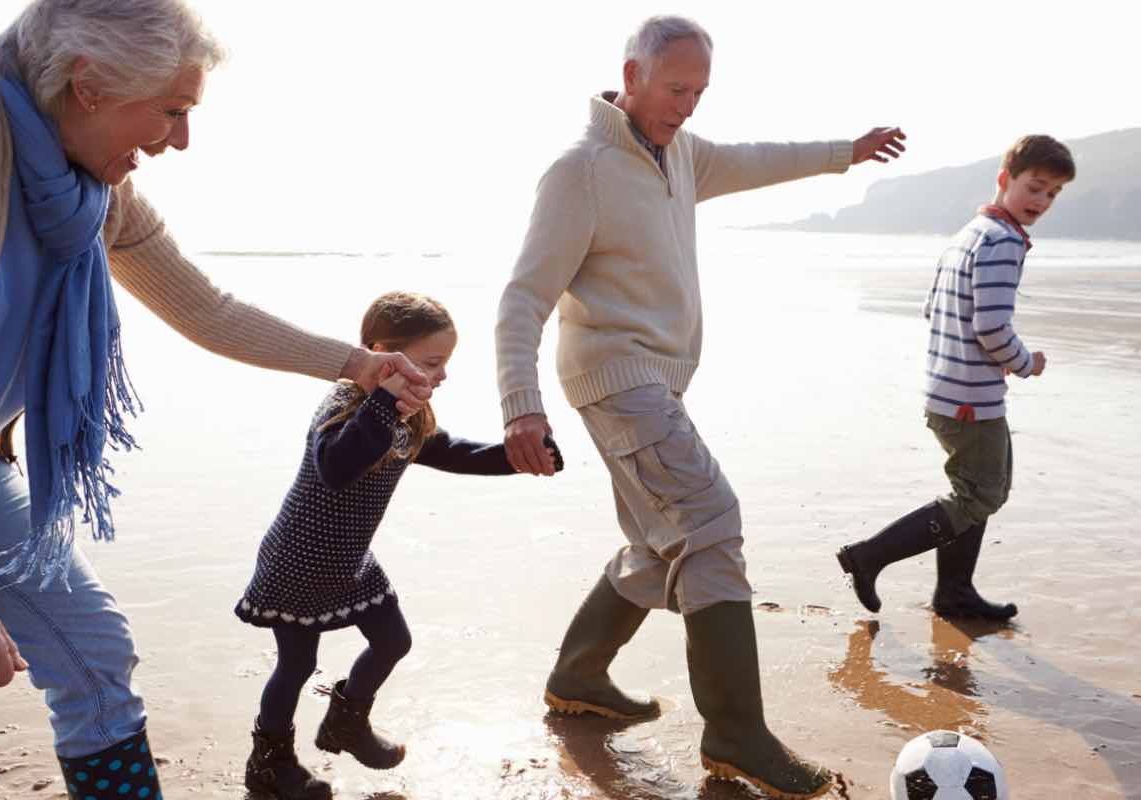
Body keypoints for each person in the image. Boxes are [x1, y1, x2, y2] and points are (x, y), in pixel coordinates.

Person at [0, 2, 430, 795]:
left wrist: (356, 364)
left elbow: (205, 308)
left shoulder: (90, 189)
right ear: (89, 84)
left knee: (94, 652)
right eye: (173, 111)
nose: (180, 140)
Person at [495, 14, 906, 799]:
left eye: (700, 92)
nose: (687, 105)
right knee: (710, 521)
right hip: (617, 378)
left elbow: (756, 160)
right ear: (632, 73)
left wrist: (843, 155)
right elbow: (522, 297)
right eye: (676, 88)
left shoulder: (681, 153)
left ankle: (578, 677)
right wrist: (521, 406)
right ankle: (736, 734)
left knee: (662, 542)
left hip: (653, 381)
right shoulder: (580, 170)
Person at [236, 292, 563, 800]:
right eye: (433, 363)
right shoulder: (345, 403)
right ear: (381, 353)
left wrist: (516, 457)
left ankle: (346, 722)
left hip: (350, 561)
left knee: (393, 641)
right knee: (296, 666)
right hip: (298, 561)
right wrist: (384, 401)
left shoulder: (409, 416)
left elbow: (448, 451)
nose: (442, 376)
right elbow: (338, 467)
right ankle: (269, 763)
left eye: (445, 364)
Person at [837, 135, 1075, 622]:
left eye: (1052, 193)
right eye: (1034, 187)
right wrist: (1025, 361)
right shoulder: (1003, 242)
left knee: (982, 486)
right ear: (1005, 180)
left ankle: (954, 591)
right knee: (981, 492)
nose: (1041, 201)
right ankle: (869, 557)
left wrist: (983, 354)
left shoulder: (970, 232)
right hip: (970, 398)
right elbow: (990, 327)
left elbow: (933, 308)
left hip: (947, 388)